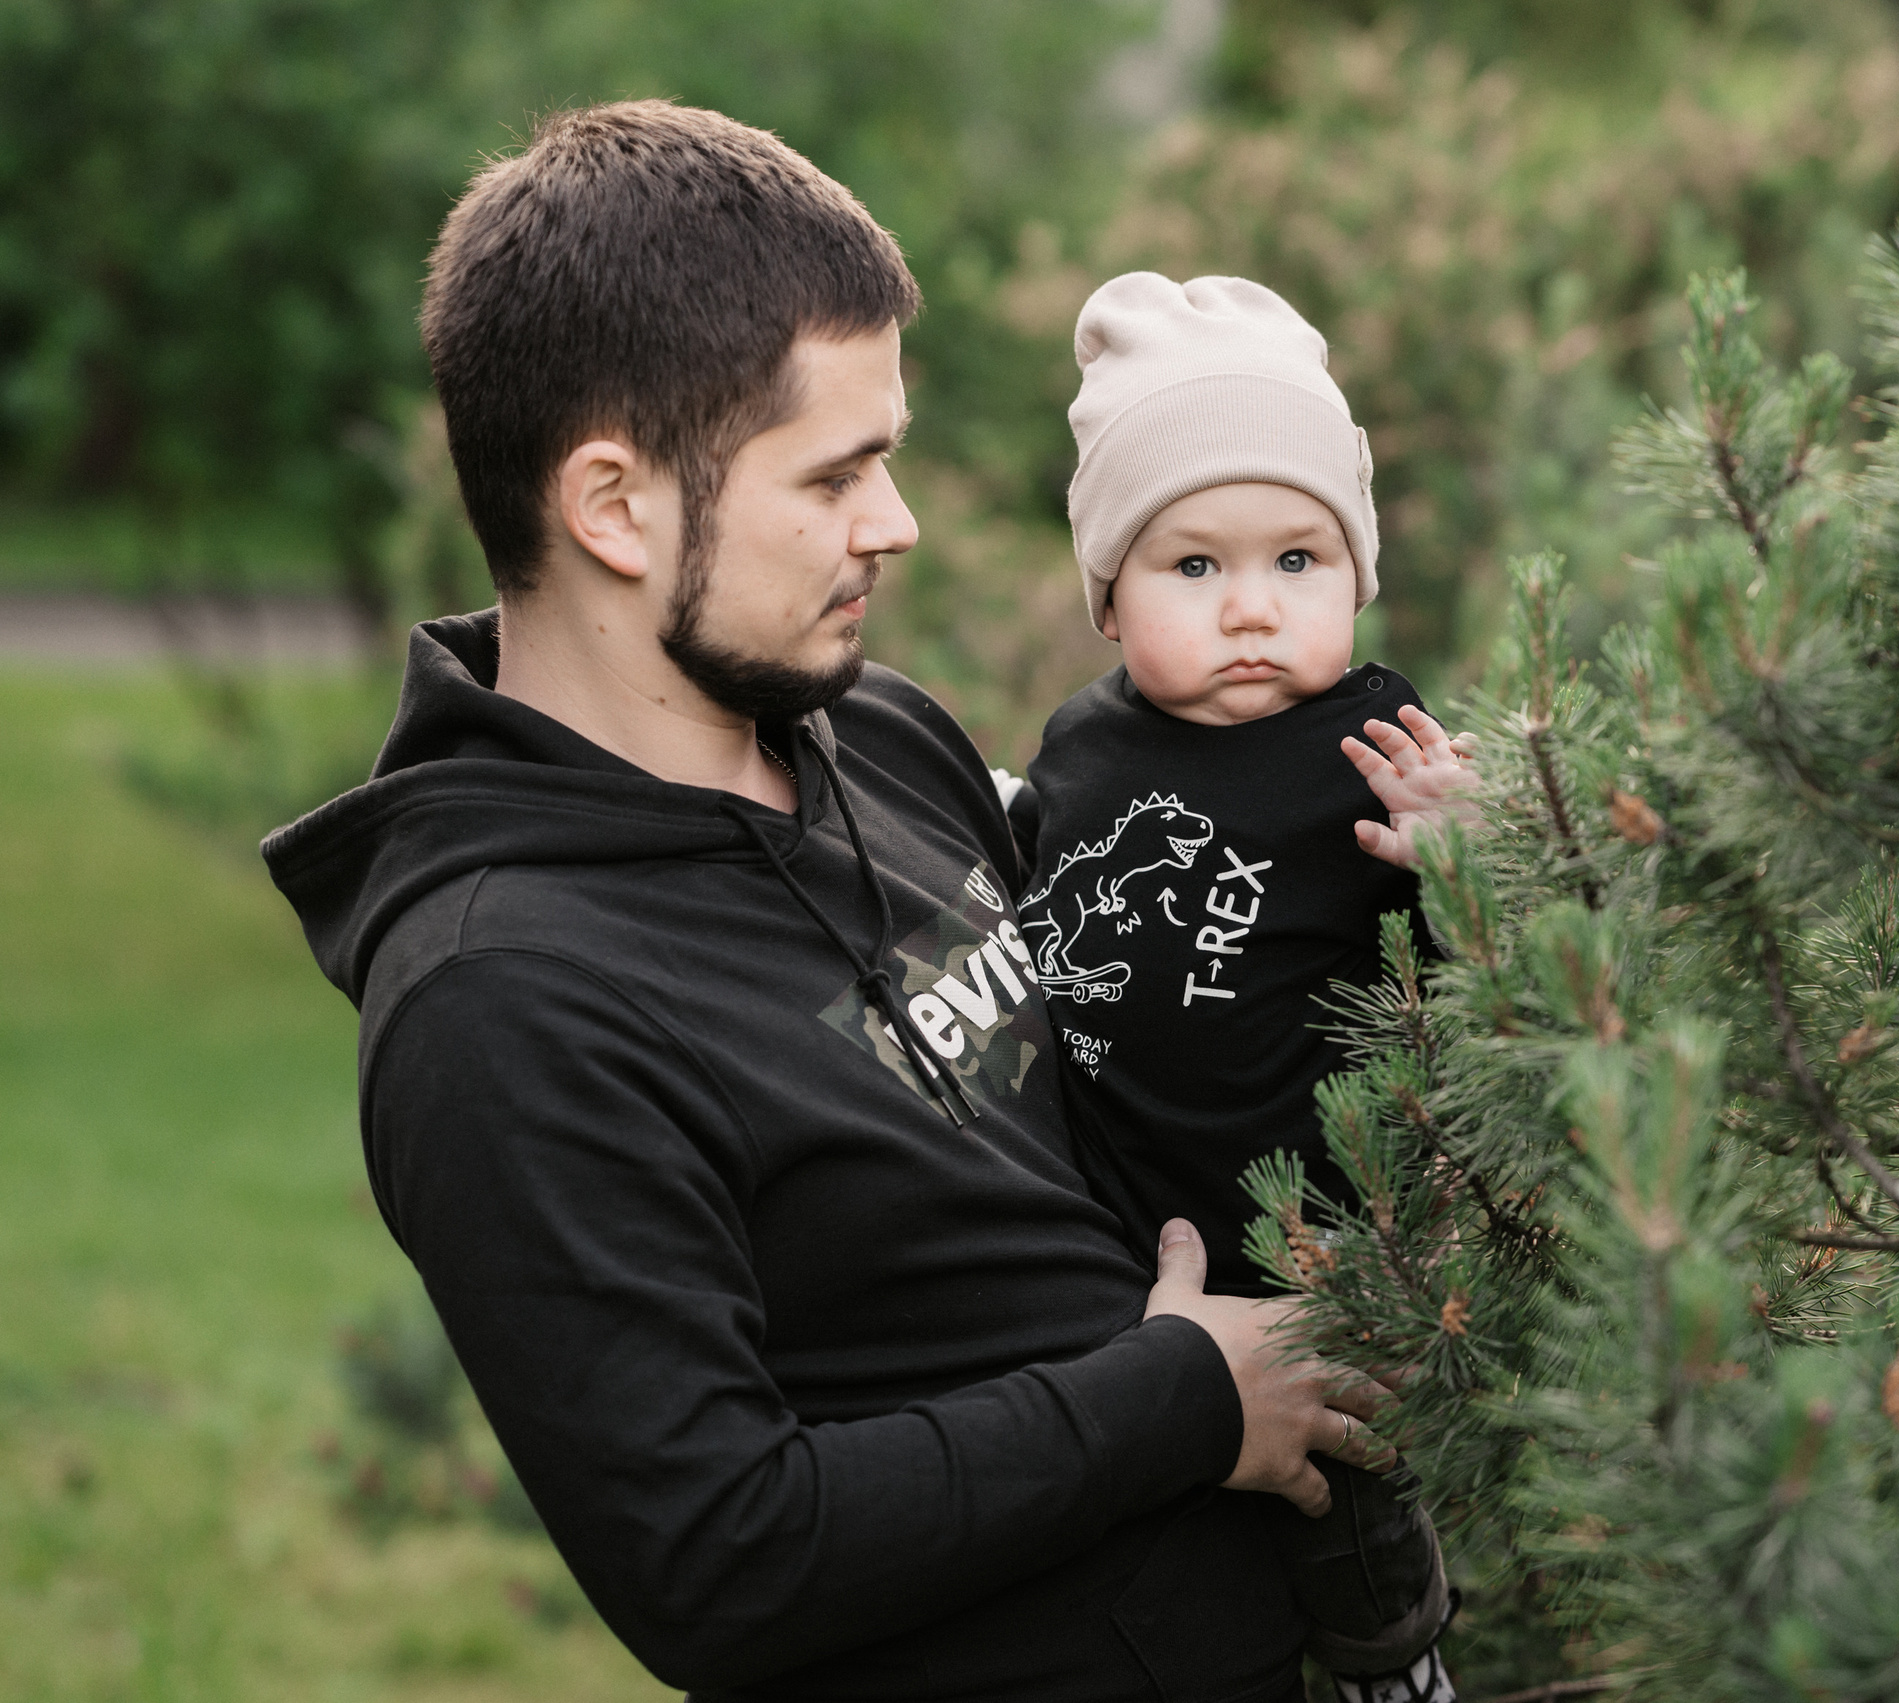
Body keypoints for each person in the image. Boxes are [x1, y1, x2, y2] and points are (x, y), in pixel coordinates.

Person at [263, 101, 1391, 1703]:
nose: (895, 523)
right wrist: (1185, 1403)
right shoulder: (502, 999)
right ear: (613, 506)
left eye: (889, 458)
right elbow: (719, 1558)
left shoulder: (881, 737)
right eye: (836, 474)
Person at [1007, 273, 1479, 1703]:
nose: (1253, 609)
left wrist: (1466, 865)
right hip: (1123, 1252)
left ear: (1358, 576)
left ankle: (1398, 1664)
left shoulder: (1376, 746)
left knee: (1350, 1515)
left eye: (1297, 559)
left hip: (1318, 1250)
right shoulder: (1079, 748)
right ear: (1109, 597)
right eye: (1194, 567)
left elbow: (1479, 1000)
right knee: (1178, 1558)